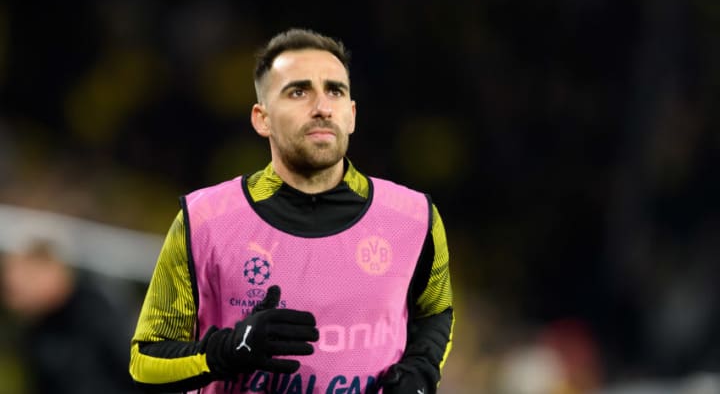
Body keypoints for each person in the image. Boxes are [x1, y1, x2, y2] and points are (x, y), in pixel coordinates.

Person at [129, 28, 454, 394]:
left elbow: (436, 312)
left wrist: (422, 370)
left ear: (351, 115)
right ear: (261, 118)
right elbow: (146, 361)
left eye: (335, 91)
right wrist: (227, 350)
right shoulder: (204, 221)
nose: (321, 107)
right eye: (298, 92)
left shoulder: (413, 218)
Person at [0, 240, 136, 393]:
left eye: (16, 290)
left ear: (45, 270)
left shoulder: (96, 309)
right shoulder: (37, 330)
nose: (12, 302)